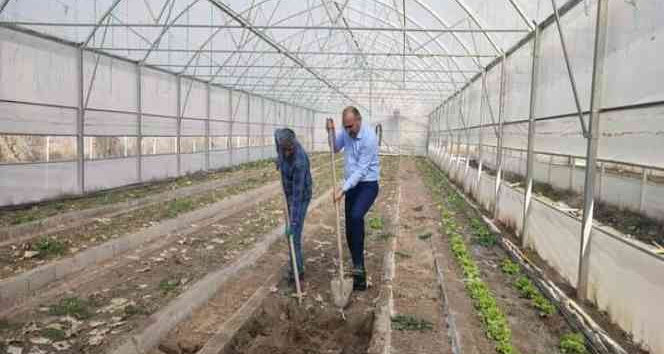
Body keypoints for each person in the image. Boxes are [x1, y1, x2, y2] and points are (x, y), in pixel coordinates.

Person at [326, 106, 380, 291]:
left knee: (357, 216)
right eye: (345, 126)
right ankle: (357, 269)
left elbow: (362, 170)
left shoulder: (369, 138)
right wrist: (331, 132)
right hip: (351, 185)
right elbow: (334, 148)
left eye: (350, 126)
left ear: (359, 120)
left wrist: (343, 189)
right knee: (349, 227)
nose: (348, 130)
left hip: (367, 184)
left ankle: (359, 268)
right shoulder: (345, 132)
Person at [274, 128, 312, 284]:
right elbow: (275, 132)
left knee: (293, 235)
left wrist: (293, 222)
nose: (287, 153)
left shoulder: (300, 161)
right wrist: (279, 158)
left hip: (301, 196)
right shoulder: (279, 139)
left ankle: (298, 271)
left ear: (293, 144)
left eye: (289, 150)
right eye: (284, 150)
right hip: (288, 191)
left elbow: (296, 197)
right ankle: (296, 266)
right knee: (290, 234)